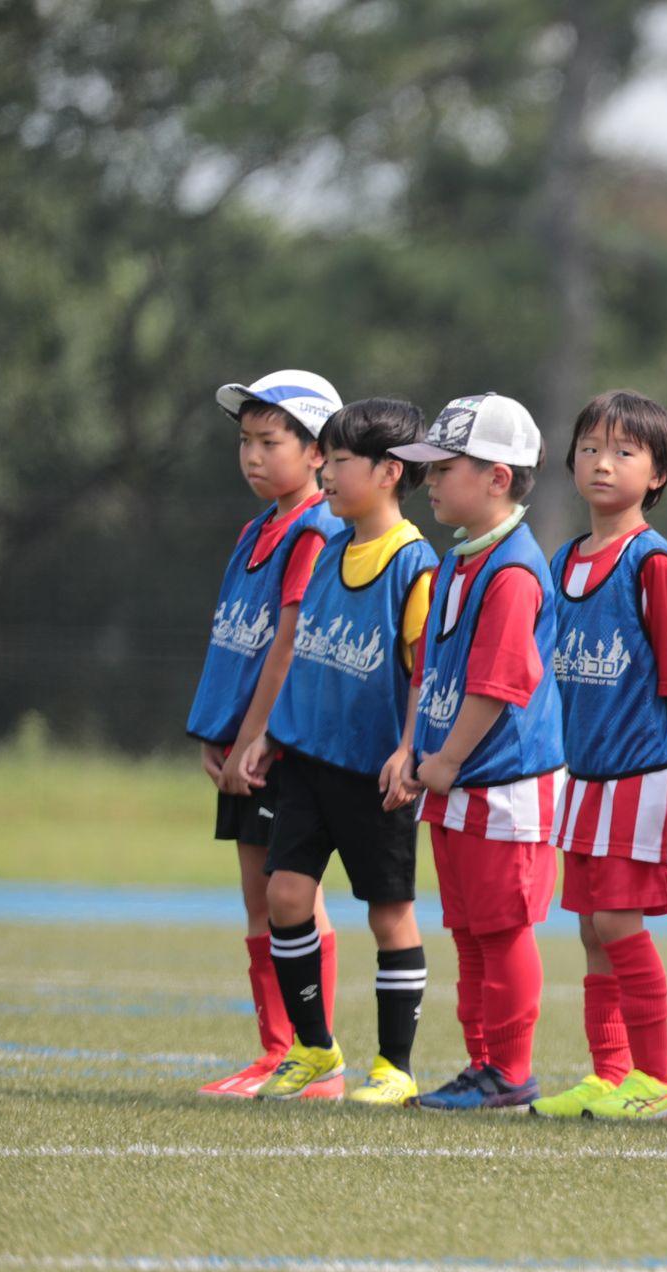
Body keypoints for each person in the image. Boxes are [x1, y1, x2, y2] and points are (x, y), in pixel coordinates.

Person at [245, 399, 437, 1104]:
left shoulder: (413, 563)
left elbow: (425, 668)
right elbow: (306, 655)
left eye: (338, 458)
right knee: (285, 894)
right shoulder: (327, 550)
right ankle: (315, 1048)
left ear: (389, 471)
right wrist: (271, 731)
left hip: (374, 773)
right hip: (309, 761)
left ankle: (395, 1067)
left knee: (389, 914)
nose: (322, 468)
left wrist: (410, 751)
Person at [532, 391, 667, 1121]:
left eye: (626, 451)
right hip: (587, 775)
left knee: (617, 922)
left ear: (658, 473)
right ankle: (610, 1074)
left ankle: (662, 1080)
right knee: (588, 925)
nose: (604, 462)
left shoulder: (653, 562)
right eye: (591, 448)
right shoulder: (563, 559)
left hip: (643, 768)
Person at [393, 393, 566, 1112]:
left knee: (501, 926)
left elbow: (498, 685)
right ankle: (481, 1062)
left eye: (444, 468)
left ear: (498, 477)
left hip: (501, 779)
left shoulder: (512, 570)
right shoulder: (460, 558)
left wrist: (445, 760)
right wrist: (410, 746)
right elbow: (430, 666)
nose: (428, 482)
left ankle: (511, 1071)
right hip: (456, 775)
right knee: (467, 928)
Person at [188, 369, 344, 1099]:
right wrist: (216, 733)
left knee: (293, 896)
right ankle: (278, 1051)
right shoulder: (260, 525)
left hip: (281, 747)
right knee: (259, 899)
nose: (252, 455)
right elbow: (236, 642)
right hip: (246, 745)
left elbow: (289, 644)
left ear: (318, 451)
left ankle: (312, 1056)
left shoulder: (314, 528)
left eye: (270, 441)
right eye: (245, 441)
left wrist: (255, 737)